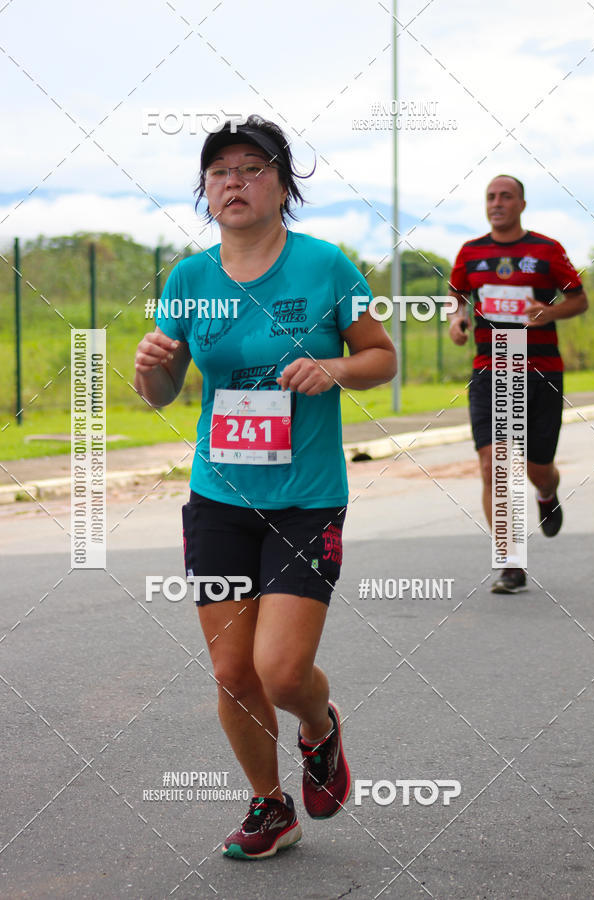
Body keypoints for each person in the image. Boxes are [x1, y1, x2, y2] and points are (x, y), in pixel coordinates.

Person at [134, 115, 396, 859]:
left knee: (280, 672)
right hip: (218, 498)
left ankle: (319, 727)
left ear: (283, 186)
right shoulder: (189, 278)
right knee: (230, 668)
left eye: (252, 169)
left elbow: (381, 356)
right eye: (221, 172)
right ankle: (268, 805)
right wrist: (150, 363)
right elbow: (161, 391)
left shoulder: (324, 267)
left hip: (307, 498)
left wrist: (336, 369)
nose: (234, 182)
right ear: (206, 191)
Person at [448, 175, 588, 593]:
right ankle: (510, 562)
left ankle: (547, 491)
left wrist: (549, 312)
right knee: (495, 465)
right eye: (490, 197)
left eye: (505, 196)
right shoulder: (471, 253)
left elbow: (578, 299)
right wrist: (457, 317)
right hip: (490, 369)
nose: (497, 203)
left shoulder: (546, 251)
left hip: (540, 370)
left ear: (522, 204)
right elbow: (456, 296)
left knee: (536, 468)